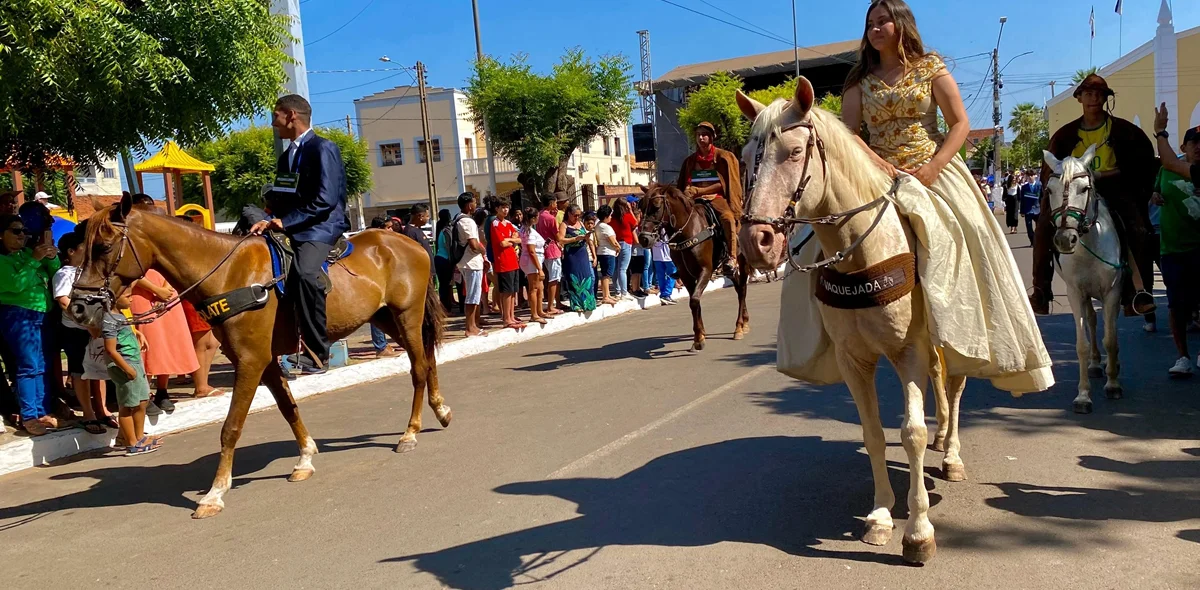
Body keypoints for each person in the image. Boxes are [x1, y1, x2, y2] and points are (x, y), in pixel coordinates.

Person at [841, 0, 1050, 389]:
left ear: (901, 25)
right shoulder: (858, 79)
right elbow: (850, 133)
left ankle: (969, 323)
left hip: (932, 168)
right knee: (822, 240)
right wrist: (879, 165)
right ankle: (833, 333)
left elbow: (959, 123)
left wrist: (934, 167)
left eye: (882, 20)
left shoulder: (930, 68)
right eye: (870, 22)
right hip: (874, 173)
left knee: (970, 229)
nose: (875, 28)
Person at [1029, 74, 1159, 316]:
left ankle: (1137, 293)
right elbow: (1051, 172)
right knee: (1043, 230)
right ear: (1079, 98)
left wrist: (1103, 175)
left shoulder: (1125, 131)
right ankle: (1041, 290)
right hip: (1075, 193)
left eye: (1099, 94)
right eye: (1088, 94)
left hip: (1116, 189)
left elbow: (1139, 166)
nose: (1094, 99)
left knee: (1138, 229)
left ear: (1106, 98)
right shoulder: (1065, 134)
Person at [249, 94, 351, 373]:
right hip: (293, 224)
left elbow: (326, 199)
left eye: (276, 116)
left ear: (291, 115)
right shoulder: (286, 157)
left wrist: (285, 221)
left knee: (306, 273)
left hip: (321, 226)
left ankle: (318, 353)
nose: (273, 123)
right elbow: (283, 197)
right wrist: (267, 218)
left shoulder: (323, 148)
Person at [0, 214, 61, 435]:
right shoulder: (3, 260)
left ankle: (41, 410)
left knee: (42, 364)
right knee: (27, 366)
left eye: (24, 232)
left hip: (42, 313)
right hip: (18, 315)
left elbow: (54, 273)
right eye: (16, 231)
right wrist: (34, 260)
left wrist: (51, 255)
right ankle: (29, 415)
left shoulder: (27, 253)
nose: (22, 236)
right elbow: (16, 285)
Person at [1151, 107, 1200, 376]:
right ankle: (1183, 357)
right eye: (1195, 143)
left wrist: (1160, 130)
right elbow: (1161, 181)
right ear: (1184, 146)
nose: (1199, 148)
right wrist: (1155, 197)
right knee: (1176, 305)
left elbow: (1170, 162)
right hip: (1172, 249)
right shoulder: (1168, 170)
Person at [52, 232, 111, 434]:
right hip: (76, 330)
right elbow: (63, 300)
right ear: (71, 251)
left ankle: (102, 410)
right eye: (83, 247)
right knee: (81, 372)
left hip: (94, 328)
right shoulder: (64, 274)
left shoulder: (88, 271)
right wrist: (87, 323)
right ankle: (88, 413)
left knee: (99, 370)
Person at [677, 121, 743, 274]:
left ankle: (732, 258)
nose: (701, 138)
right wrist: (687, 191)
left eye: (705, 135)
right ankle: (680, 262)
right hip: (694, 200)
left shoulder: (723, 157)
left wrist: (700, 191)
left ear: (712, 137)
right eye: (698, 135)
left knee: (728, 218)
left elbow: (725, 184)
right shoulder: (690, 161)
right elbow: (686, 182)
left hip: (716, 198)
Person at [102, 286, 161, 455]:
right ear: (113, 300)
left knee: (142, 401)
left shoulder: (120, 315)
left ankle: (139, 436)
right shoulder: (109, 320)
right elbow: (111, 350)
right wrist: (127, 369)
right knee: (127, 406)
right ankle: (132, 443)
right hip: (125, 366)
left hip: (134, 363)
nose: (131, 299)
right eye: (127, 296)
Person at [454, 192, 487, 337]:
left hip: (467, 262)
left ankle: (473, 325)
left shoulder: (459, 219)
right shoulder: (467, 221)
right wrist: (483, 250)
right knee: (473, 296)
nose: (476, 205)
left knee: (473, 295)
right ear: (469, 205)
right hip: (471, 262)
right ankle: (470, 327)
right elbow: (473, 244)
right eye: (474, 203)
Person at [488, 198, 524, 330]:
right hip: (503, 262)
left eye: (507, 207)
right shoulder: (495, 224)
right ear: (497, 209)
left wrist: (510, 239)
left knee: (513, 291)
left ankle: (512, 316)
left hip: (513, 261)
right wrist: (511, 240)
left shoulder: (508, 223)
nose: (505, 210)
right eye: (502, 207)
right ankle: (506, 319)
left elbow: (519, 239)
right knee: (506, 292)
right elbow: (502, 243)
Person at [557, 204, 597, 313]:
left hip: (583, 254)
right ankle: (576, 304)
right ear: (569, 214)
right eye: (575, 215)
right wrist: (575, 239)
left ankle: (588, 303)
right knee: (574, 279)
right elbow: (560, 239)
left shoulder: (580, 224)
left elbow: (588, 240)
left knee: (586, 277)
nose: (577, 218)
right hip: (572, 256)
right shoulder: (564, 225)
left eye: (579, 215)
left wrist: (594, 255)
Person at [519, 207, 548, 325]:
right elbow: (531, 251)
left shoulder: (526, 229)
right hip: (532, 261)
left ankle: (539, 311)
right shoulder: (529, 232)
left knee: (539, 287)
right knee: (534, 288)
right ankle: (534, 314)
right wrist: (540, 269)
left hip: (533, 260)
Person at [537, 194, 565, 317]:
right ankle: (551, 306)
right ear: (551, 203)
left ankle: (556, 302)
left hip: (544, 247)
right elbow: (557, 236)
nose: (556, 205)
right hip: (553, 249)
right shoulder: (550, 218)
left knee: (552, 277)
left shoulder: (540, 215)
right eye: (555, 202)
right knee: (554, 278)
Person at [610, 197, 639, 299]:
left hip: (615, 243)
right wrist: (630, 211)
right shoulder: (627, 216)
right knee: (623, 269)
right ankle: (624, 292)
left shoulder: (612, 218)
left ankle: (617, 291)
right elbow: (635, 223)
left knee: (616, 269)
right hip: (626, 243)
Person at [594, 205, 620, 306]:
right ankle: (605, 296)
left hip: (603, 252)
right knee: (606, 274)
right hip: (607, 252)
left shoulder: (599, 225)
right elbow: (612, 241)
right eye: (610, 215)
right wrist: (618, 247)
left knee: (606, 274)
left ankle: (607, 294)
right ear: (606, 216)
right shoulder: (605, 227)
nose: (611, 217)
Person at [434, 207, 458, 312]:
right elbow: (449, 247)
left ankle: (447, 305)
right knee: (445, 285)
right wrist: (453, 261)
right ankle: (446, 308)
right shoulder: (446, 231)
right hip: (444, 259)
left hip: (439, 258)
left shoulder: (440, 229)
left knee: (444, 285)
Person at [652, 231, 678, 305]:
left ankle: (663, 295)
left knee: (661, 276)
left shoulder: (653, 228)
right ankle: (666, 294)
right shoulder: (665, 227)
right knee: (673, 274)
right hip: (668, 255)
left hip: (657, 254)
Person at [1019, 173, 1041, 245]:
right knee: (1029, 228)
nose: (1030, 177)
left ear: (1035, 176)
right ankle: (1032, 241)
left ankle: (1038, 240)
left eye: (1032, 175)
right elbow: (1022, 199)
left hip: (1038, 210)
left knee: (1039, 227)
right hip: (1028, 210)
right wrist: (1022, 211)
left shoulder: (1039, 186)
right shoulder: (1024, 187)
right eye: (1028, 176)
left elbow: (1042, 197)